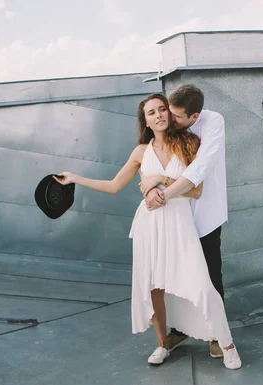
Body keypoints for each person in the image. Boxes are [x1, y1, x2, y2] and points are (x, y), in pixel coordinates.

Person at [53, 93, 241, 370]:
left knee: (203, 285)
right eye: (151, 112)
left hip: (180, 225)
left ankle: (227, 345)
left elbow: (198, 190)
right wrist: (75, 178)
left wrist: (161, 179)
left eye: (162, 109)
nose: (159, 115)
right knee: (155, 288)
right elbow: (114, 186)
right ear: (146, 121)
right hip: (149, 225)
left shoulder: (188, 143)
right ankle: (162, 344)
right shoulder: (141, 152)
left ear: (169, 113)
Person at [139, 84, 228, 360]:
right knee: (174, 276)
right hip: (174, 220)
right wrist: (150, 188)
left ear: (194, 117)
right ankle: (180, 329)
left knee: (210, 276)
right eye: (165, 111)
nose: (168, 119)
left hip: (204, 215)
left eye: (174, 116)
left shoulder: (212, 124)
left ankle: (216, 335)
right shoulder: (163, 138)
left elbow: (197, 174)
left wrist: (161, 191)